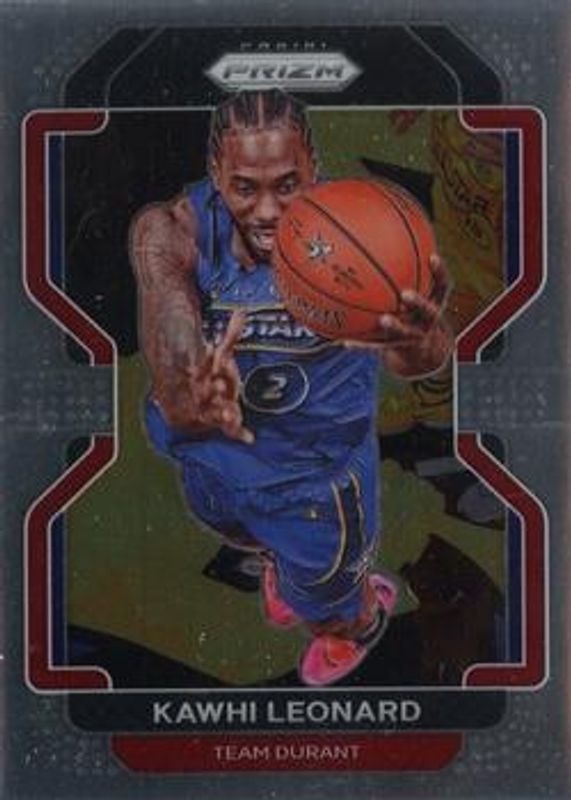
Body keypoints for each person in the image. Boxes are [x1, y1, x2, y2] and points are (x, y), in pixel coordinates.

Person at [130, 89, 452, 686]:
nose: (268, 211)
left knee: (329, 607)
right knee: (233, 530)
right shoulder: (173, 230)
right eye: (244, 187)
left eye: (287, 184)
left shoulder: (361, 234)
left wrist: (418, 340)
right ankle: (282, 564)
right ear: (216, 174)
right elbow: (168, 307)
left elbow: (419, 358)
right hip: (217, 457)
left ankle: (358, 623)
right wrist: (185, 379)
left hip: (315, 480)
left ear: (313, 168)